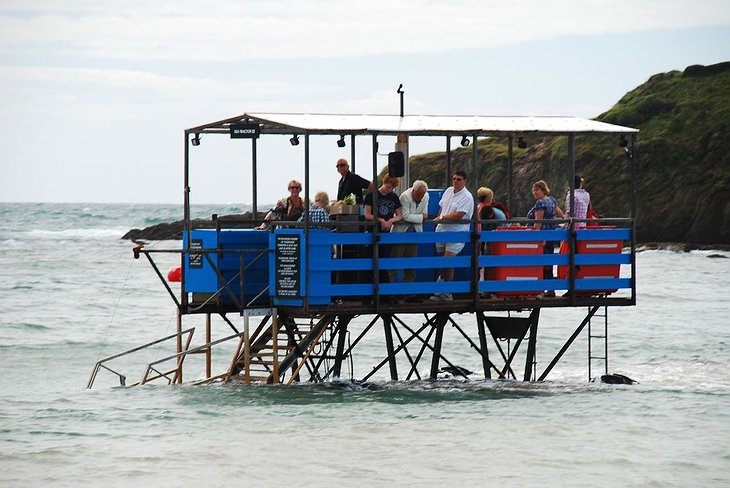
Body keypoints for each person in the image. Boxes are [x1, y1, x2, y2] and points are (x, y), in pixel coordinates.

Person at [430, 171, 474, 301]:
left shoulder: (467, 197)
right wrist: (439, 219)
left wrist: (442, 217)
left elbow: (459, 214)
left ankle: (445, 290)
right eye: (454, 178)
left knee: (448, 260)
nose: (455, 181)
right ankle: (442, 288)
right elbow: (442, 207)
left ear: (465, 181)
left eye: (459, 179)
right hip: (442, 230)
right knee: (444, 262)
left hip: (457, 232)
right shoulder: (448, 191)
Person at [363, 175, 402, 297]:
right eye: (388, 186)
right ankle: (368, 294)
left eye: (391, 188)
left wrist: (391, 220)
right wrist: (380, 220)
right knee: (369, 262)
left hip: (386, 233)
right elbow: (367, 214)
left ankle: (384, 294)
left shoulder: (394, 197)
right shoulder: (371, 195)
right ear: (384, 182)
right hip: (371, 231)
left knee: (383, 262)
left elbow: (400, 215)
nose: (388, 189)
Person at [390, 180, 429, 295]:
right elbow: (405, 216)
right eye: (418, 195)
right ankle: (391, 291)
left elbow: (425, 214)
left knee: (411, 263)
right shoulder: (405, 197)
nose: (420, 197)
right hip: (401, 233)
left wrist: (420, 217)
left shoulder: (426, 196)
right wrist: (421, 217)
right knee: (394, 262)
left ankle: (409, 291)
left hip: (414, 233)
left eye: (422, 195)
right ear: (413, 190)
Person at [527, 179, 565, 296]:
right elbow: (561, 214)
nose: (534, 192)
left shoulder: (540, 203)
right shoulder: (552, 201)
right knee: (549, 261)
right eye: (533, 190)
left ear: (543, 190)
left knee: (540, 261)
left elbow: (538, 223)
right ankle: (550, 288)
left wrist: (535, 235)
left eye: (537, 190)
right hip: (551, 234)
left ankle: (541, 289)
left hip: (542, 235)